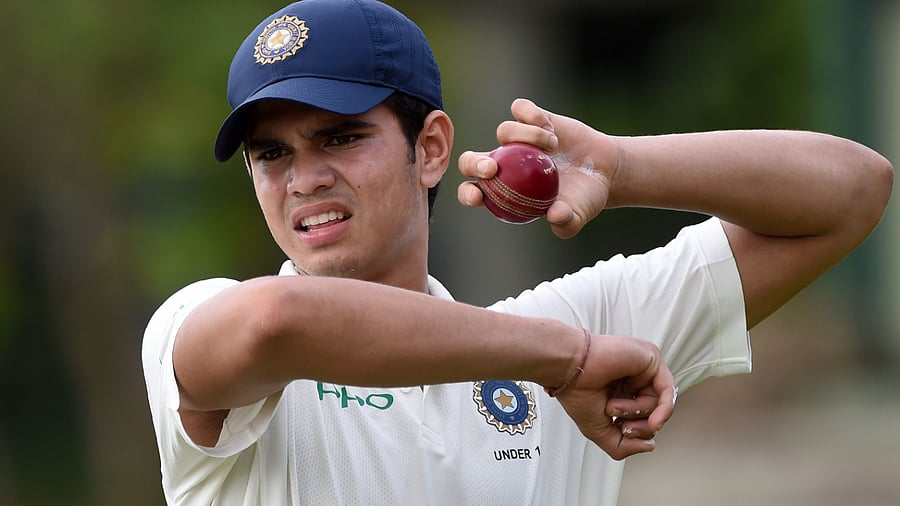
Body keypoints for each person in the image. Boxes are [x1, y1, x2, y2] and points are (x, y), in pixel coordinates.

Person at [141, 0, 893, 504]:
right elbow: (282, 320)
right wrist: (562, 360)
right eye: (272, 154)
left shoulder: (569, 329)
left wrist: (621, 169)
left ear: (431, 148)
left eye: (339, 137)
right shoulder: (198, 322)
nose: (304, 179)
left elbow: (854, 190)